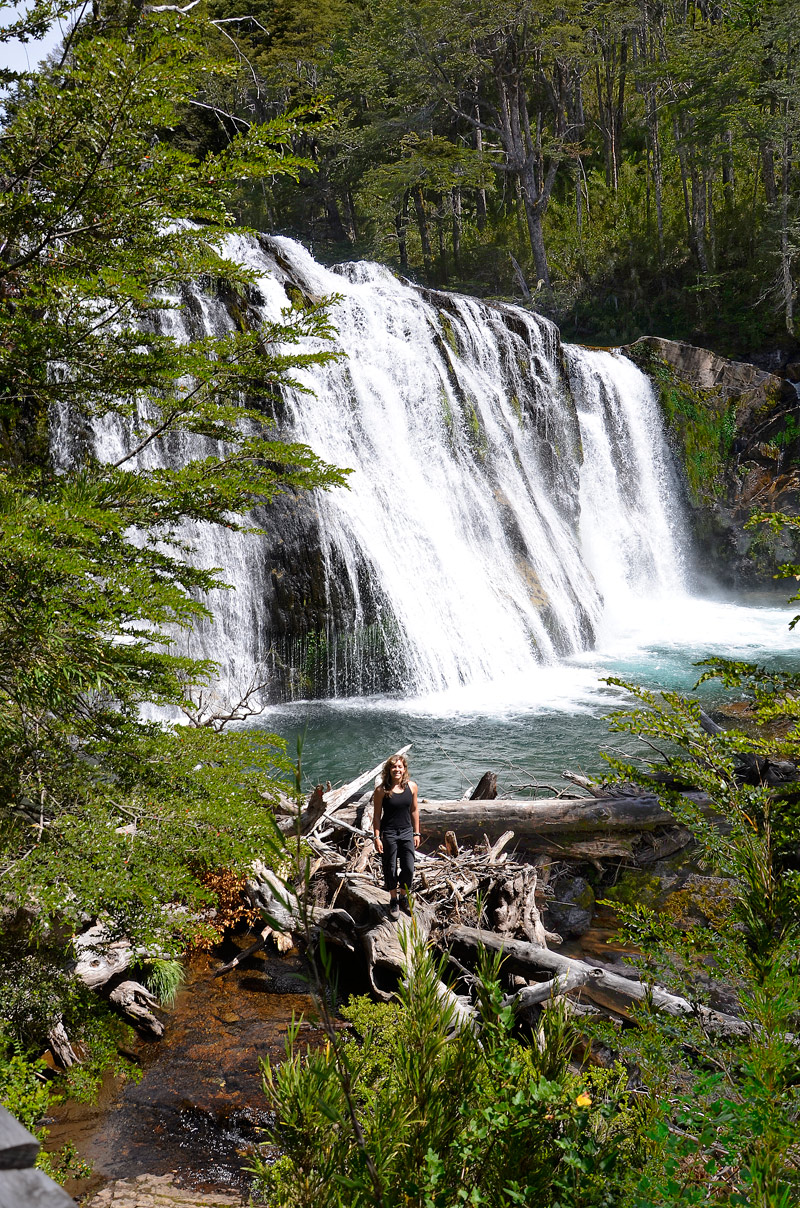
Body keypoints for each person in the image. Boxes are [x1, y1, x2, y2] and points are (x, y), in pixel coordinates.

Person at [372, 753, 421, 920]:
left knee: (408, 867)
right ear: (389, 770)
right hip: (390, 833)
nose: (397, 769)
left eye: (400, 766)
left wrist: (416, 832)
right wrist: (377, 837)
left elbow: (414, 810)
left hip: (407, 831)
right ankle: (393, 899)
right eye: (393, 767)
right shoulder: (381, 791)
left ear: (404, 769)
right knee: (390, 868)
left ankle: (403, 896)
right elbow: (377, 816)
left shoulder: (412, 787)